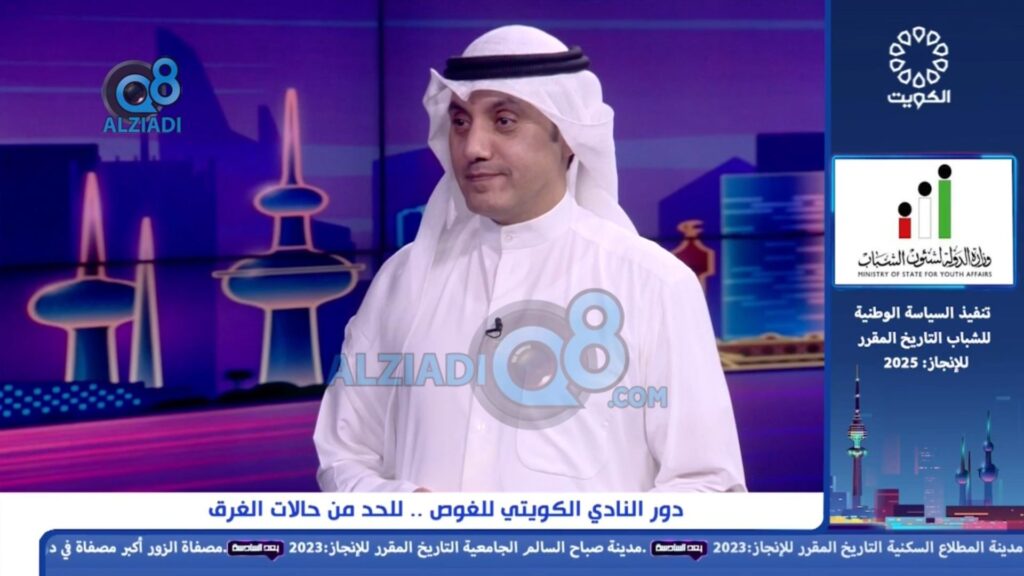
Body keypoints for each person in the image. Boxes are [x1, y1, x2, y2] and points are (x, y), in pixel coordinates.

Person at [314, 25, 746, 492]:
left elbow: (708, 484)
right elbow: (343, 456)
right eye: (460, 122)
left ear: (569, 137)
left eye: (504, 121)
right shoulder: (402, 279)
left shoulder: (654, 285)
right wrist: (409, 508)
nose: (473, 148)